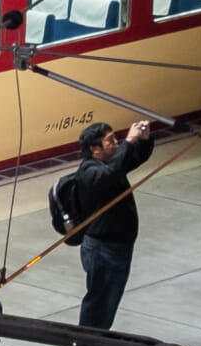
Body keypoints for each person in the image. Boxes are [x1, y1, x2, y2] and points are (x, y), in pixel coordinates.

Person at [52, 118, 159, 329]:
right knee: (100, 299)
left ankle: (97, 343)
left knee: (110, 299)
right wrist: (129, 140)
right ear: (95, 149)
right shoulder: (91, 172)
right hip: (102, 248)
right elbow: (114, 170)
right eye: (110, 141)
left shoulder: (108, 165)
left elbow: (131, 160)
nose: (116, 143)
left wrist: (144, 141)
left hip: (117, 246)